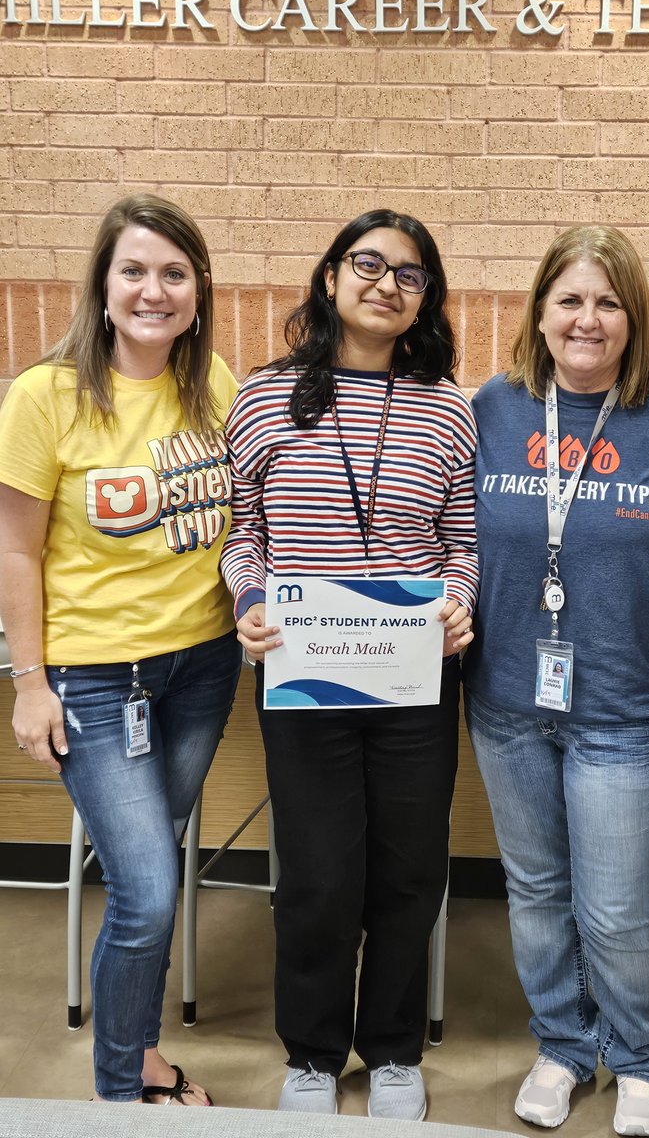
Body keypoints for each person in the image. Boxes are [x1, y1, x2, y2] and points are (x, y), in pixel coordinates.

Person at [221, 209, 477, 1121]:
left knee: (409, 868)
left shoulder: (448, 407)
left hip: (414, 679)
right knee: (321, 873)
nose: (385, 284)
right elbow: (241, 535)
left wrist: (459, 600)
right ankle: (314, 1055)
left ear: (426, 300)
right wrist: (249, 602)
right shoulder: (263, 397)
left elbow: (462, 541)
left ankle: (396, 1051)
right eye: (367, 264)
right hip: (302, 672)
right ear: (330, 277)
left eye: (409, 275)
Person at [0, 194, 243, 1104]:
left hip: (202, 666)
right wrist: (31, 684)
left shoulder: (211, 382)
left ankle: (138, 1054)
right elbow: (15, 549)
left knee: (155, 877)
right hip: (95, 681)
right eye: (134, 270)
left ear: (198, 288)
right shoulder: (45, 395)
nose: (154, 291)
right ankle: (120, 1092)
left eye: (174, 273)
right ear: (102, 284)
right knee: (146, 892)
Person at [464, 226, 649, 1136]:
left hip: (627, 708)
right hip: (507, 705)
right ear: (538, 311)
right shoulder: (497, 405)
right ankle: (563, 1046)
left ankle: (641, 1058)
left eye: (608, 301)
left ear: (635, 316)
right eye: (569, 299)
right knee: (534, 893)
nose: (587, 319)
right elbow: (450, 532)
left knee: (612, 908)